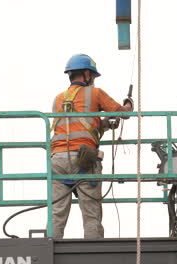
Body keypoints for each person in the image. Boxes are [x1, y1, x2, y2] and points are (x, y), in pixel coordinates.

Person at [50, 54, 133, 239]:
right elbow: (124, 113)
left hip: (58, 161)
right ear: (87, 74)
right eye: (93, 77)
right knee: (91, 214)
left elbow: (73, 125)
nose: (93, 81)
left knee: (56, 213)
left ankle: (48, 250)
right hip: (83, 160)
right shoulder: (95, 94)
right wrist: (128, 104)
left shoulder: (58, 99)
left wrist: (103, 124)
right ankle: (92, 251)